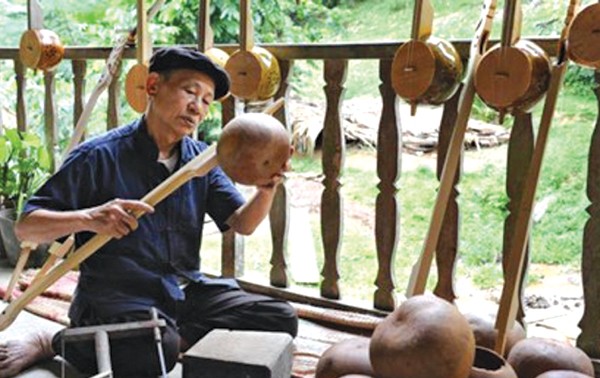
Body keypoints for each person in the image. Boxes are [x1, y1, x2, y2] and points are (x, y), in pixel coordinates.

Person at [0, 46, 298, 377]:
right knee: (154, 350)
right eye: (190, 91)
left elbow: (242, 224)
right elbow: (26, 227)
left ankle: (159, 337)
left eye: (206, 101)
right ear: (153, 86)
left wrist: (267, 188)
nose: (196, 107)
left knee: (280, 317)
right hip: (118, 299)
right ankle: (57, 341)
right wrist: (91, 217)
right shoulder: (98, 156)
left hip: (181, 293)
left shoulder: (201, 160)